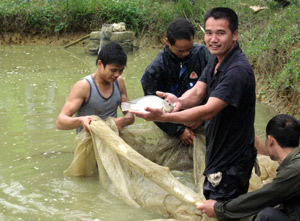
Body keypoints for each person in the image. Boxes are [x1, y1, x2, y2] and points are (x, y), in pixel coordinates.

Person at [131, 7, 257, 202]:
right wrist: (178, 101)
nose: (213, 39)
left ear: (235, 35)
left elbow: (208, 111)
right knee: (214, 203)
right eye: (209, 33)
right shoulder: (215, 60)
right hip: (217, 151)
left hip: (232, 158)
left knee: (222, 210)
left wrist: (165, 116)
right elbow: (198, 92)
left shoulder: (236, 71)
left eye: (221, 33)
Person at [197, 114, 300, 221]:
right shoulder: (294, 164)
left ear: (270, 140)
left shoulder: (294, 170)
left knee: (267, 215)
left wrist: (218, 209)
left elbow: (264, 197)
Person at [141, 18, 212, 145]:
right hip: (173, 124)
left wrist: (202, 117)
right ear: (168, 42)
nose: (186, 53)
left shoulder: (204, 54)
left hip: (205, 118)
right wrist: (179, 130)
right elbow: (152, 107)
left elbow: (216, 90)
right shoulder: (154, 71)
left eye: (189, 49)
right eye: (180, 51)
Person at [56, 42, 134, 134]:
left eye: (121, 70)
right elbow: (60, 122)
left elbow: (130, 115)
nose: (117, 74)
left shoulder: (119, 82)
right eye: (113, 70)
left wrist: (122, 121)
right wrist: (81, 120)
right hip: (89, 142)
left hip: (114, 140)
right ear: (100, 64)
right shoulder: (84, 87)